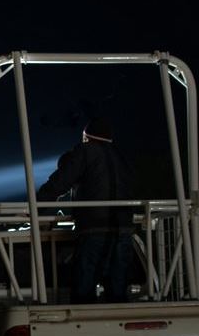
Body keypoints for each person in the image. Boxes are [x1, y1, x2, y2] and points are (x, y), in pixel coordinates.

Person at [37, 118, 134, 303]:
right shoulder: (121, 156)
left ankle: (82, 324)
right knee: (118, 289)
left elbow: (61, 181)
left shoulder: (85, 151)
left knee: (84, 287)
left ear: (86, 137)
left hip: (94, 227)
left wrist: (37, 204)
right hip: (123, 227)